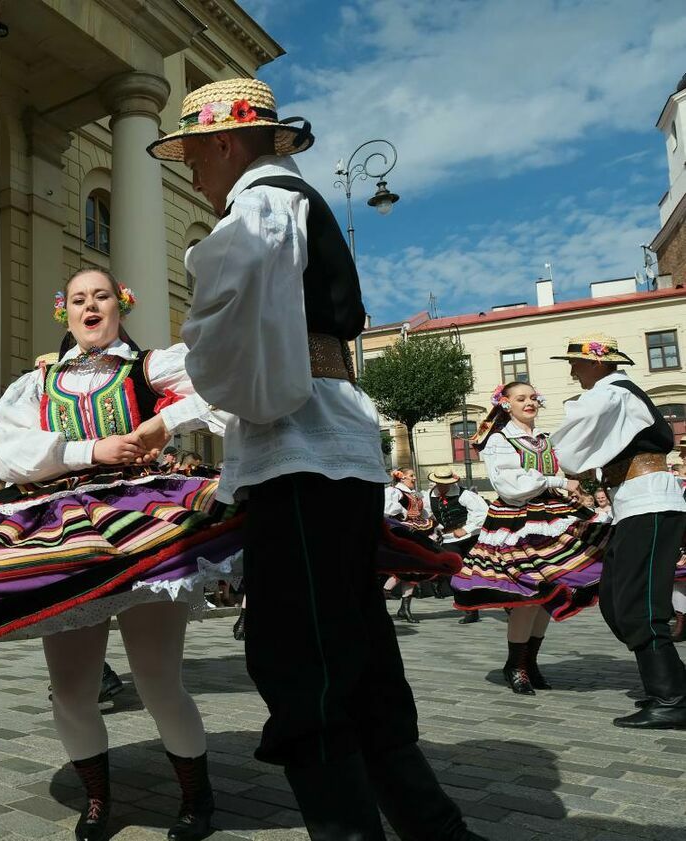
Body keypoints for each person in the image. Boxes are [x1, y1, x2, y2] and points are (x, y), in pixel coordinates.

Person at [160, 77, 481, 839]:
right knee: (354, 649)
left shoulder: (262, 202)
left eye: (195, 159)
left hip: (300, 446)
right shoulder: (291, 201)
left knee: (300, 655)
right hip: (325, 443)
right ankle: (434, 827)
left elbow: (231, 327)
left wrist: (194, 375)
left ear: (225, 145)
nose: (192, 176)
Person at [0, 268, 238, 841]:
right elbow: (8, 452)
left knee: (157, 680)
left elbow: (226, 382)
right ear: (65, 312)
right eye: (78, 299)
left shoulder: (147, 368)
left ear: (120, 305)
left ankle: (197, 799)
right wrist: (89, 448)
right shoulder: (37, 382)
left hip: (143, 522)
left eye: (100, 296)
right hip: (63, 531)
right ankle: (97, 801)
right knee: (72, 688)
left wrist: (162, 422)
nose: (90, 306)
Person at [550, 333, 686, 729]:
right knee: (614, 599)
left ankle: (672, 698)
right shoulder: (616, 394)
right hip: (635, 502)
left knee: (639, 603)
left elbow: (573, 445)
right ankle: (674, 684)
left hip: (649, 502)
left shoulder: (610, 392)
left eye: (576, 362)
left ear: (597, 363)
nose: (573, 370)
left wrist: (556, 460)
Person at [449, 382, 608, 694]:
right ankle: (516, 665)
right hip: (518, 523)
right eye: (521, 398)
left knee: (546, 595)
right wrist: (556, 479)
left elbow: (578, 464)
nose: (529, 402)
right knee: (527, 596)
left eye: (533, 397)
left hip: (554, 516)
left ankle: (529, 662)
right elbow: (509, 484)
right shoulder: (499, 439)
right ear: (506, 404)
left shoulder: (545, 440)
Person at [424, 469, 489, 624]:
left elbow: (483, 513)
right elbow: (427, 514)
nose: (441, 487)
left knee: (483, 571)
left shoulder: (465, 495)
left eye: (445, 484)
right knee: (453, 573)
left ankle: (508, 606)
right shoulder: (429, 496)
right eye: (439, 483)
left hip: (471, 537)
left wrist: (465, 529)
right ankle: (470, 610)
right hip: (448, 539)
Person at [382, 468, 433, 623]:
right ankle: (383, 595)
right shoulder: (394, 491)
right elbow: (387, 509)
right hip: (403, 532)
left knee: (413, 570)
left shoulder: (414, 493)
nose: (414, 478)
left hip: (417, 531)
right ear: (402, 478)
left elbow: (423, 513)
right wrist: (403, 515)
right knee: (404, 568)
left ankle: (405, 608)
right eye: (411, 476)